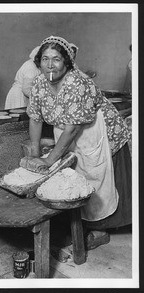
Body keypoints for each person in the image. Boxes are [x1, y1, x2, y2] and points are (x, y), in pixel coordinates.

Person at [23, 35, 132, 250]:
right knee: (71, 171)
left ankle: (101, 228)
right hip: (67, 128)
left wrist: (49, 160)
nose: (50, 64)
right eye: (45, 59)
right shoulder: (38, 82)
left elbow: (73, 128)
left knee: (94, 175)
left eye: (56, 59)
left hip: (94, 129)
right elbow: (35, 117)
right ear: (38, 62)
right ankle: (77, 222)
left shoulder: (77, 82)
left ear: (67, 62)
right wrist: (34, 154)